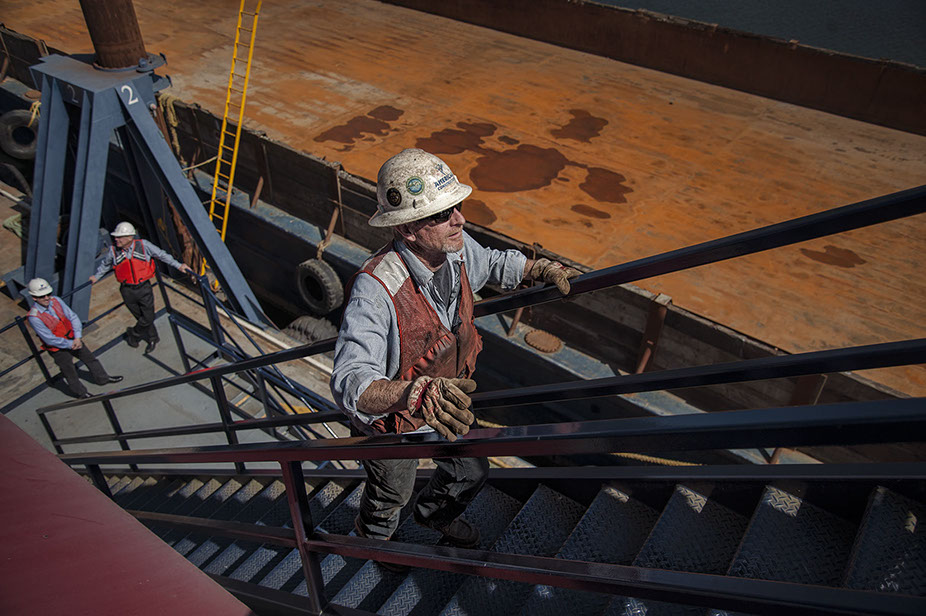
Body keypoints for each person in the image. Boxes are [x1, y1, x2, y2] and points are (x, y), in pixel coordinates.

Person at [330, 148, 580, 563]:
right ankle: (373, 545)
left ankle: (434, 516)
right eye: (443, 214)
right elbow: (350, 381)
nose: (460, 220)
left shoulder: (455, 249)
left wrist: (535, 269)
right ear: (407, 228)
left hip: (446, 400)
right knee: (391, 494)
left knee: (472, 470)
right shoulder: (375, 290)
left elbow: (492, 263)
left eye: (457, 208)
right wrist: (414, 394)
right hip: (395, 422)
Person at [89, 221, 193, 353]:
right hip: (127, 290)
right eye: (116, 237)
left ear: (129, 237)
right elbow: (105, 265)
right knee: (140, 317)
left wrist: (179, 266)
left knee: (148, 317)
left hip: (143, 288)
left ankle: (134, 334)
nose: (116, 239)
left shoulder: (144, 246)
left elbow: (162, 255)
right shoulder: (113, 251)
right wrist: (96, 277)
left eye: (119, 237)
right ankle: (153, 338)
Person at [26, 278, 123, 399]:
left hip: (74, 339)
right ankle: (81, 393)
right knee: (69, 371)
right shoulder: (34, 317)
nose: (47, 298)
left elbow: (72, 317)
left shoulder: (56, 300)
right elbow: (49, 339)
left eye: (48, 294)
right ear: (34, 298)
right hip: (58, 349)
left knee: (90, 359)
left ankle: (103, 378)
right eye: (42, 296)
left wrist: (77, 337)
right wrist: (70, 344)